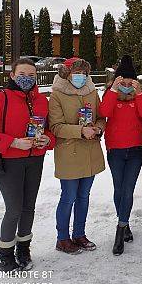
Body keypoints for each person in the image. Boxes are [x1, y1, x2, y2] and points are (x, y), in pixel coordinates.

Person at [0, 58, 55, 272]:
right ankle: (5, 255)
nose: (26, 79)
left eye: (31, 75)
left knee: (29, 208)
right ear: (12, 75)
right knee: (14, 209)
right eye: (22, 74)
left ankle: (23, 249)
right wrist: (13, 142)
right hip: (9, 162)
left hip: (35, 160)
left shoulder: (41, 101)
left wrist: (47, 140)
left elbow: (49, 131)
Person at [48, 58, 106, 255]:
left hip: (90, 152)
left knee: (84, 196)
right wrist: (80, 130)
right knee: (69, 196)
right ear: (66, 73)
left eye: (83, 73)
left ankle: (79, 234)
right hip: (69, 153)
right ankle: (62, 238)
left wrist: (99, 127)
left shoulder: (91, 91)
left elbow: (100, 116)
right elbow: (55, 126)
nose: (80, 76)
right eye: (76, 72)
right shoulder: (57, 95)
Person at [100, 55, 142, 255]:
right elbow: (104, 111)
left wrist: (139, 94)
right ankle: (126, 222)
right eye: (123, 78)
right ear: (117, 79)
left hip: (136, 149)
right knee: (119, 189)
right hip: (116, 150)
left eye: (130, 78)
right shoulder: (110, 94)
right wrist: (113, 90)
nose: (127, 82)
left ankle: (120, 229)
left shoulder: (139, 94)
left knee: (128, 189)